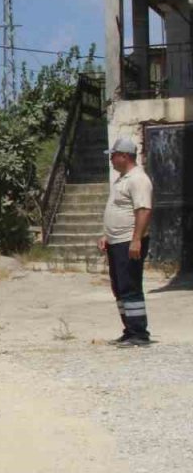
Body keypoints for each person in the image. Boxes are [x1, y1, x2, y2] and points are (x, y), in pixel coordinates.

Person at [97, 136, 154, 347]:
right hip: (116, 241)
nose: (111, 159)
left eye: (113, 155)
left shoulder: (138, 179)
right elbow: (118, 210)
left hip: (128, 242)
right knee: (119, 287)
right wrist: (106, 236)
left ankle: (139, 333)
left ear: (124, 156)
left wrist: (136, 239)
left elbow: (144, 210)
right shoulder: (122, 179)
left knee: (130, 286)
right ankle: (129, 330)